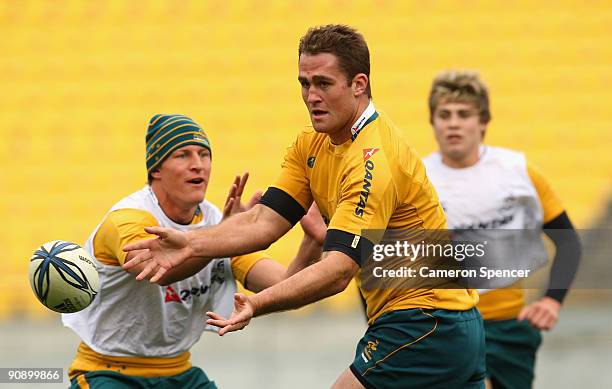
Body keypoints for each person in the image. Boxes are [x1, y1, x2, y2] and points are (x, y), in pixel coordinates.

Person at [125, 26, 486, 388]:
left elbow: (337, 273)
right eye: (304, 83)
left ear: (359, 84)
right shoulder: (311, 145)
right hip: (443, 324)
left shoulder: (372, 160)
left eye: (324, 84)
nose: (311, 96)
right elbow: (264, 222)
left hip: (426, 320)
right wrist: (192, 242)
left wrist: (257, 303)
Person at [62, 113, 321, 388]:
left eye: (204, 154)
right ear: (156, 169)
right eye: (183, 155)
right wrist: (228, 235)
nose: (198, 165)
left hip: (179, 371)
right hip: (108, 371)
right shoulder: (128, 219)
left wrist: (313, 241)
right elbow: (159, 271)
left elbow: (285, 286)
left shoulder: (217, 224)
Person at [422, 71, 582, 389]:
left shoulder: (517, 172)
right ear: (433, 123)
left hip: (507, 328)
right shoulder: (417, 179)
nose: (453, 123)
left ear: (483, 121)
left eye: (464, 114)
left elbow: (569, 242)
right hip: (444, 326)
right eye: (444, 115)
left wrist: (552, 300)